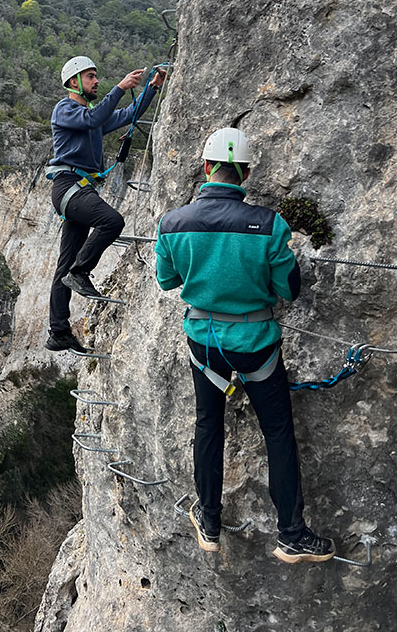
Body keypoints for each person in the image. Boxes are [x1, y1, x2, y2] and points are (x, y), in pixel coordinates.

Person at [155, 127, 335, 564]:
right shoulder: (269, 225)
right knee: (277, 434)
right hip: (257, 345)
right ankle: (291, 533)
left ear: (205, 168)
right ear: (247, 172)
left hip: (205, 345)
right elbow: (288, 290)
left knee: (208, 425)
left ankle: (210, 521)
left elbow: (167, 280)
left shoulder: (173, 224)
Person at [45, 55, 166, 353]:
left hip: (78, 189)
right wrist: (121, 87)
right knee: (111, 221)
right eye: (90, 77)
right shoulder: (66, 109)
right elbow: (94, 118)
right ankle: (80, 272)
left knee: (65, 263)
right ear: (74, 82)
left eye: (96, 77)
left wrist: (151, 88)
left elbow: (127, 115)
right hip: (69, 187)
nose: (96, 81)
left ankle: (58, 332)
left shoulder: (91, 117)